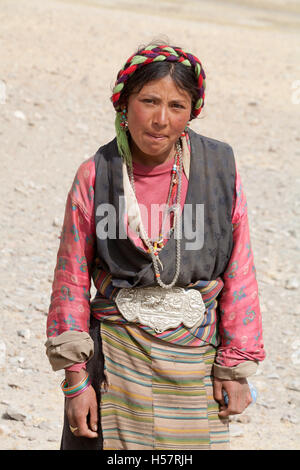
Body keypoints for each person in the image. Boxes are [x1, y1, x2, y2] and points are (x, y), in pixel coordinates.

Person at [45, 42, 266, 450]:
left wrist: (235, 367)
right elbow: (70, 280)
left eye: (177, 106)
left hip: (195, 359)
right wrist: (76, 382)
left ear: (192, 112)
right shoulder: (97, 175)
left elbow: (240, 270)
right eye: (149, 101)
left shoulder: (219, 171)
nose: (161, 120)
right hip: (116, 356)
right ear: (124, 104)